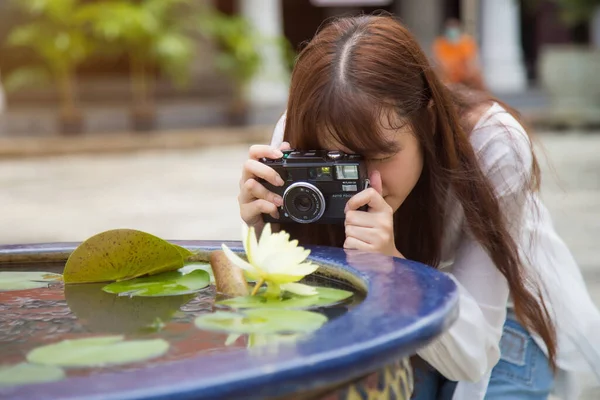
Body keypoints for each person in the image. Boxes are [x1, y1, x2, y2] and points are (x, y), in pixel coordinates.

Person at [237, 14, 600, 400]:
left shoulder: (492, 142)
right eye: (340, 164)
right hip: (386, 314)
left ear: (425, 119)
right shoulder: (293, 145)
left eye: (379, 155)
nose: (367, 183)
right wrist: (262, 232)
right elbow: (297, 317)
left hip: (506, 320)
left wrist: (391, 266)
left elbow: (474, 356)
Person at [433, 18, 486, 92]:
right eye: (450, 29)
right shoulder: (440, 43)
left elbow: (471, 61)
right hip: (448, 79)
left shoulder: (467, 42)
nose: (452, 32)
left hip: (465, 78)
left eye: (454, 28)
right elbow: (440, 62)